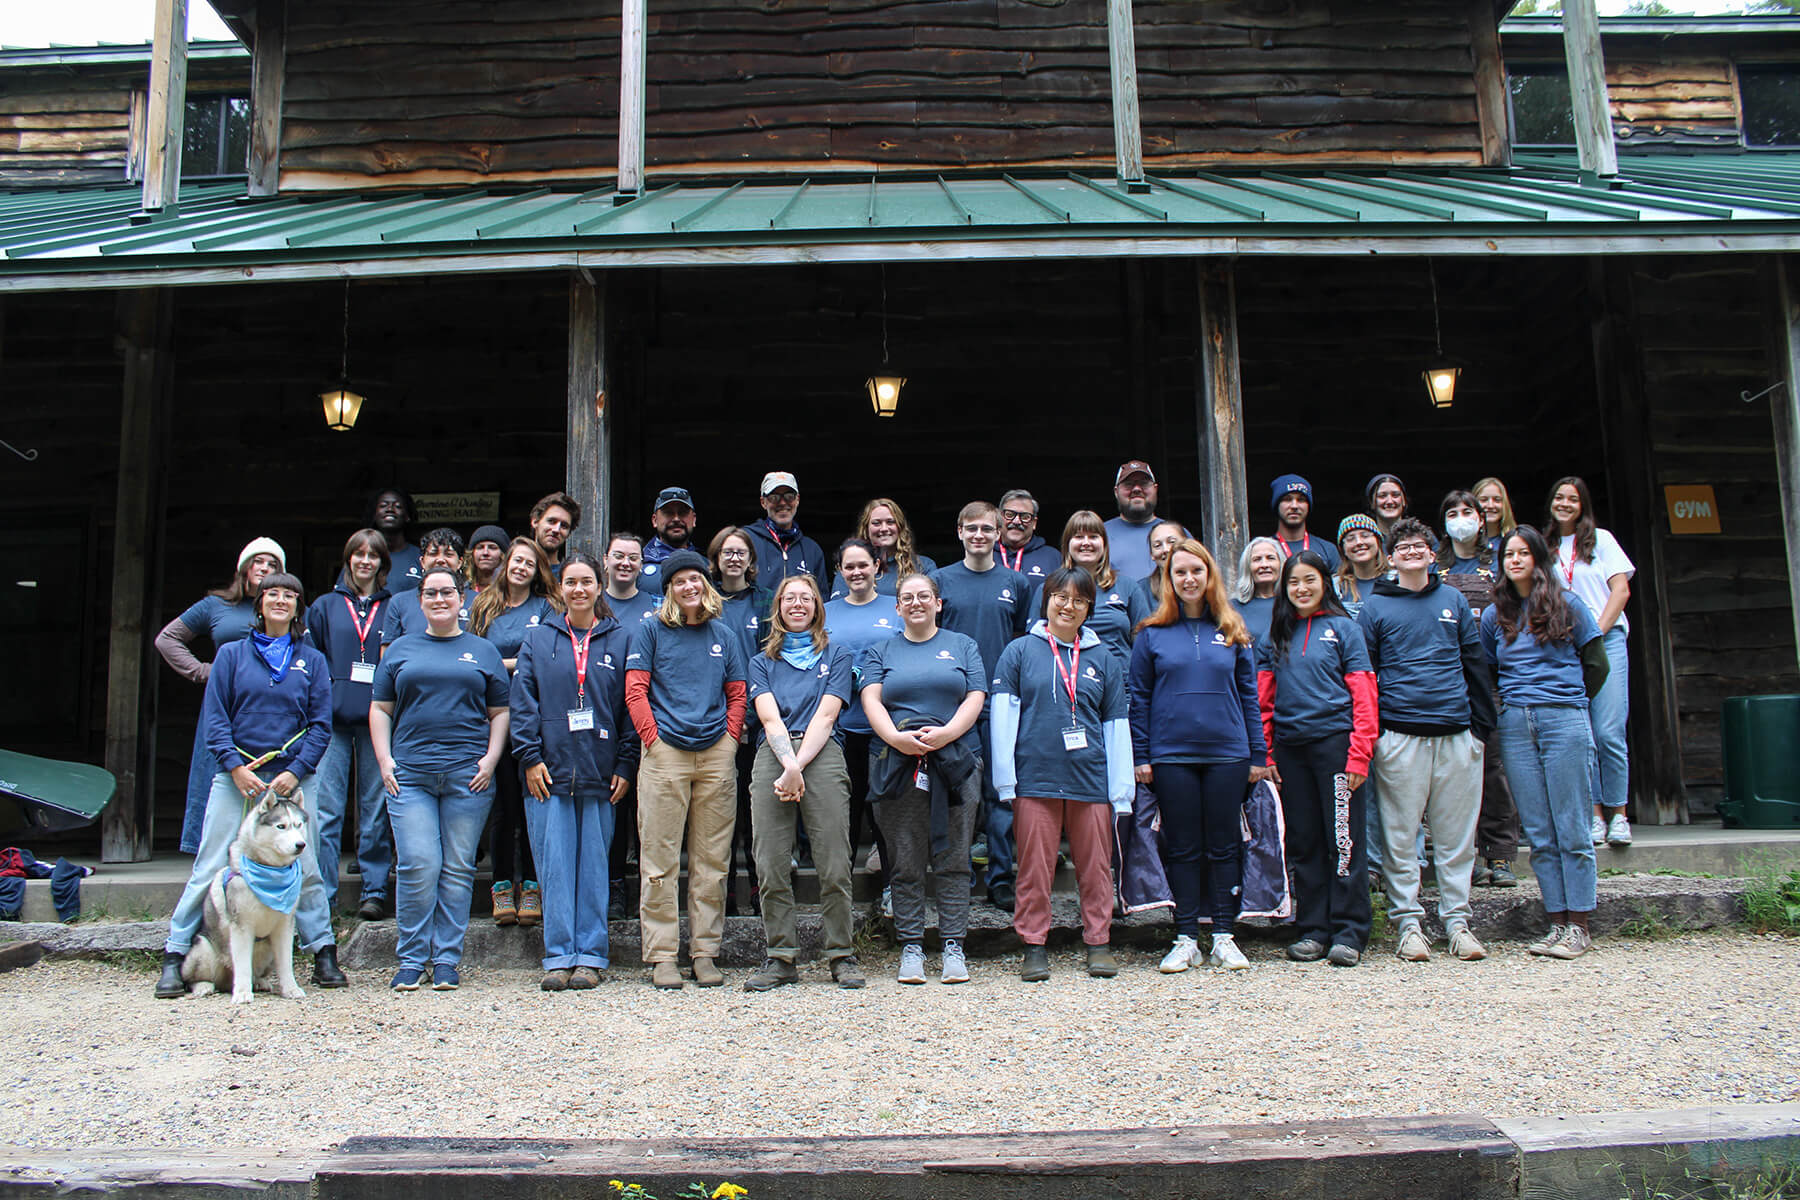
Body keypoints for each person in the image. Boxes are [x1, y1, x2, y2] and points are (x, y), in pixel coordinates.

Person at [155, 571, 343, 998]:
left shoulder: (311, 659)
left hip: (292, 777)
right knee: (210, 862)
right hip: (237, 776)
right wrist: (235, 767)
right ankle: (175, 952)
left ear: (299, 607)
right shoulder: (232, 655)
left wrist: (296, 770)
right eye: (272, 594)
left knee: (306, 863)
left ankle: (322, 951)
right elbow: (216, 718)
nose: (280, 600)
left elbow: (320, 724)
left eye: (289, 595)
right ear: (258, 605)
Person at [1356, 517, 1496, 964]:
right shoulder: (1376, 608)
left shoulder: (1452, 599)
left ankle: (1457, 922)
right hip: (1400, 735)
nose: (1412, 552)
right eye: (1404, 547)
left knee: (1457, 838)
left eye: (1420, 546)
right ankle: (1408, 924)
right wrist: (1375, 737)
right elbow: (1366, 677)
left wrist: (1480, 731)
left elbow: (1475, 666)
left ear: (1433, 555)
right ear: (1391, 558)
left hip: (1456, 734)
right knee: (1400, 837)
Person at [1130, 537, 1269, 974]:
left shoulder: (1233, 630)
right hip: (1172, 755)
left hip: (1228, 753)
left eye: (1197, 571)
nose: (1189, 579)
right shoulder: (1151, 634)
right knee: (1185, 847)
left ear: (1210, 576)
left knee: (1224, 845)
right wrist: (1142, 755)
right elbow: (1140, 698)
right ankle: (1186, 936)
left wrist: (1257, 753)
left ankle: (1225, 936)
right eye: (1180, 572)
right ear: (1168, 580)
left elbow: (1250, 695)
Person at [371, 566, 510, 992]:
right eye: (430, 593)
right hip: (409, 775)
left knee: (456, 868)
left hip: (467, 776)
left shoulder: (483, 651)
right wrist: (384, 760)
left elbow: (500, 712)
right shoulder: (400, 650)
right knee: (417, 865)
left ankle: (447, 958)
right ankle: (412, 958)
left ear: (461, 597)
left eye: (447, 592)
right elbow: (380, 708)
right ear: (420, 601)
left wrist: (490, 760)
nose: (439, 599)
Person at [992, 566, 1133, 981]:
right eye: (1061, 596)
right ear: (1047, 600)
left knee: (1095, 867)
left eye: (1078, 600)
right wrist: (1006, 779)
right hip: (1035, 776)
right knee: (1035, 867)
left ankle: (1099, 941)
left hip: (1090, 779)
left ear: (1089, 608)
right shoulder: (1019, 652)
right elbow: (1003, 718)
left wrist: (1119, 788)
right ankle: (1034, 943)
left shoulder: (1103, 659)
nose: (1068, 606)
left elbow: (1116, 725)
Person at [510, 552, 638, 990]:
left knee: (594, 867)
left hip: (602, 772)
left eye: (587, 582)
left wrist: (626, 762)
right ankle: (559, 955)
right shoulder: (537, 639)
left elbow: (628, 708)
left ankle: (591, 955)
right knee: (556, 867)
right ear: (560, 588)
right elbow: (522, 702)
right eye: (571, 582)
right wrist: (529, 758)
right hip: (549, 770)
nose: (579, 590)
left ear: (599, 587)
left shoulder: (620, 640)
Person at [1482, 525, 1611, 960]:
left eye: (1523, 553)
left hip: (1564, 718)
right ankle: (1555, 922)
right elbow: (1487, 670)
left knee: (1572, 825)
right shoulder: (1493, 615)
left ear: (1539, 558)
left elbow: (1596, 664)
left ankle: (1580, 924)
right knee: (1538, 829)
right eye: (1508, 555)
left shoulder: (1569, 605)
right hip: (1516, 723)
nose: (1514, 560)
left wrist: (1567, 701)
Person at [624, 549, 749, 990]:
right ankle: (661, 955)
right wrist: (653, 741)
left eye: (696, 579)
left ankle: (704, 952)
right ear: (670, 589)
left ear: (706, 583)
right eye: (680, 581)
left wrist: (731, 739)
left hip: (715, 750)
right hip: (665, 753)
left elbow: (738, 692)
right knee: (658, 857)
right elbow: (635, 691)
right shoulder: (650, 631)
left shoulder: (724, 633)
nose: (689, 587)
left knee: (712, 859)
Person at [861, 571, 987, 985]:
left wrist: (949, 732)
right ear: (896, 607)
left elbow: (975, 696)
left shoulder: (962, 646)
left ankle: (954, 944)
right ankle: (911, 944)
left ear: (938, 603)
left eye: (924, 596)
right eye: (907, 597)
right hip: (899, 763)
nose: (916, 603)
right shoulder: (881, 649)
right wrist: (896, 738)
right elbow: (871, 698)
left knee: (954, 856)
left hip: (955, 761)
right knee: (905, 856)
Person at [1256, 551, 1378, 967]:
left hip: (1337, 749)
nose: (1301, 589)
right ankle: (1313, 928)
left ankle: (1350, 930)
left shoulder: (1344, 629)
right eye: (1293, 582)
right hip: (1291, 751)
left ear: (1325, 582)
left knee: (1342, 841)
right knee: (1304, 841)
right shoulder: (1278, 633)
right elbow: (1264, 702)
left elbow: (1364, 694)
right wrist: (1268, 751)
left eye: (1309, 580)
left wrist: (1360, 755)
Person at [744, 574, 863, 991]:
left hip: (821, 752)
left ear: (817, 606)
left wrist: (797, 766)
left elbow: (827, 715)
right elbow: (768, 716)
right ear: (777, 607)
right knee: (771, 860)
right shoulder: (762, 661)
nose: (797, 604)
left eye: (805, 598)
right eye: (789, 598)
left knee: (833, 858)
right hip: (772, 755)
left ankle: (841, 953)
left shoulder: (838, 654)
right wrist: (787, 764)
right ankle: (780, 956)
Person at [157, 536, 287, 854]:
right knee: (216, 776)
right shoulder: (217, 606)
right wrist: (205, 671)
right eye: (258, 561)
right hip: (225, 706)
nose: (265, 568)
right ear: (244, 568)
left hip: (272, 708)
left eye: (273, 564)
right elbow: (167, 639)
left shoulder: (286, 606)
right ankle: (213, 859)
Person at [932, 501, 1030, 911]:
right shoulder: (940, 581)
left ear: (998, 533)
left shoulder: (1017, 583)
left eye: (987, 529)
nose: (978, 536)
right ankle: (952, 876)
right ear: (959, 532)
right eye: (971, 528)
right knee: (954, 792)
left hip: (1003, 701)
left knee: (1001, 791)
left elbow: (1023, 641)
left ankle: (1002, 877)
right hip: (952, 704)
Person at [468, 537, 562, 928]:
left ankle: (535, 886)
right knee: (503, 807)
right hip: (492, 714)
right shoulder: (484, 606)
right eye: (517, 560)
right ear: (506, 564)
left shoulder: (547, 607)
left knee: (534, 802)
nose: (521, 567)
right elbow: (472, 655)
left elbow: (548, 656)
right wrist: (516, 661)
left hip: (538, 715)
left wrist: (502, 662)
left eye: (530, 562)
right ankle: (503, 883)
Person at [305, 530, 394, 921]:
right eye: (358, 554)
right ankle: (323, 894)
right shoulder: (324, 605)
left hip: (378, 718)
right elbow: (311, 657)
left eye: (372, 555)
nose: (365, 561)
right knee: (326, 809)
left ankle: (374, 890)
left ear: (382, 563)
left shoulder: (394, 607)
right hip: (332, 721)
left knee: (375, 807)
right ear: (348, 559)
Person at [1544, 476, 1635, 848]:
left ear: (1583, 505)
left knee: (1608, 729)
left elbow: (1621, 589)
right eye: (1559, 497)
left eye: (1573, 499)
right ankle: (1595, 815)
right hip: (1564, 647)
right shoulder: (1544, 546)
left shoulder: (1602, 540)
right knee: (1581, 735)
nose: (1565, 503)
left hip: (1605, 639)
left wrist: (1594, 633)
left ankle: (1619, 815)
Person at [1438, 489, 1520, 889]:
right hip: (1448, 682)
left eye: (1466, 511)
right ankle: (1464, 857)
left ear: (1481, 518)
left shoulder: (1500, 565)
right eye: (1452, 512)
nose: (1460, 518)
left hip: (1491, 682)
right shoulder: (1435, 567)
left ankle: (1500, 855)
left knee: (1494, 770)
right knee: (1455, 775)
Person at [823, 538, 900, 909]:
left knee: (886, 811)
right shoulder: (826, 612)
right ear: (839, 572)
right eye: (848, 566)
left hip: (886, 726)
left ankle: (892, 889)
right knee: (844, 811)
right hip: (840, 727)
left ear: (877, 567)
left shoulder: (896, 608)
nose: (856, 572)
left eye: (863, 565)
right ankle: (841, 895)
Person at [708, 525, 775, 916]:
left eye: (741, 552)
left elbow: (770, 658)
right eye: (727, 552)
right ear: (715, 559)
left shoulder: (765, 601)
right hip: (713, 722)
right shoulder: (703, 600)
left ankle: (756, 889)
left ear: (751, 560)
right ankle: (725, 892)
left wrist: (751, 717)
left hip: (757, 720)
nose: (734, 558)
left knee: (756, 811)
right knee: (719, 811)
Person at [1031, 510, 1148, 669]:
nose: (1086, 542)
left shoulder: (1128, 587)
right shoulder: (1047, 589)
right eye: (1078, 537)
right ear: (1067, 544)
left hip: (1121, 684)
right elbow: (1034, 643)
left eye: (1093, 536)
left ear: (1104, 544)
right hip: (1063, 682)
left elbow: (1145, 643)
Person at [831, 498, 937, 598]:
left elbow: (931, 609)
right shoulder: (850, 569)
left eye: (890, 522)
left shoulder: (923, 566)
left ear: (900, 527)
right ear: (866, 529)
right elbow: (839, 612)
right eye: (876, 523)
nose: (884, 528)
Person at [381, 528, 468, 646]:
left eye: (448, 554)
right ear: (422, 561)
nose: (440, 560)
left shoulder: (478, 601)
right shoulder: (399, 602)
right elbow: (388, 655)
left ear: (460, 562)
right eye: (433, 553)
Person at [747, 471, 826, 584]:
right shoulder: (746, 541)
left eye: (789, 497)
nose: (783, 502)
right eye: (774, 497)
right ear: (763, 502)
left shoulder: (812, 550)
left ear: (797, 499)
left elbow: (821, 597)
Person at [1270, 474, 1341, 573]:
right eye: (1287, 499)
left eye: (1301, 500)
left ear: (1308, 506)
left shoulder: (1328, 549)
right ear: (1277, 505)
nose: (1294, 506)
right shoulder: (1264, 549)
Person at [1104, 461, 1160, 582]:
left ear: (1155, 489)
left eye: (1144, 484)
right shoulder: (1098, 535)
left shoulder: (1176, 534)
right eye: (1128, 484)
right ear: (1116, 492)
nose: (1136, 489)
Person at [995, 489, 1063, 584]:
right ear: (999, 518)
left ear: (1034, 523)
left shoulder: (1053, 557)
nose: (1017, 521)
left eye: (1025, 517)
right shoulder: (985, 553)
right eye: (1009, 515)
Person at [639, 486, 698, 594]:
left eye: (682, 513)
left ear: (693, 519)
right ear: (655, 520)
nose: (676, 519)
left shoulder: (708, 566)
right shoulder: (637, 565)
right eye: (668, 513)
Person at [1229, 536, 1283, 646]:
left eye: (1270, 558)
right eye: (1257, 559)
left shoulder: (1292, 605)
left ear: (1281, 563)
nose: (1264, 565)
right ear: (1247, 567)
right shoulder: (1232, 609)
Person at [1332, 514, 1387, 619]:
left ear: (1378, 542)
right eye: (1350, 538)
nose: (1359, 542)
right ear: (1343, 549)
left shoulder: (1396, 581)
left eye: (1365, 536)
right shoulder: (1335, 587)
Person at [602, 532, 660, 631]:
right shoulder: (592, 603)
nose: (626, 563)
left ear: (641, 564)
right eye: (619, 556)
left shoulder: (656, 605)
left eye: (633, 558)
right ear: (605, 560)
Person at [368, 488, 422, 588]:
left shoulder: (421, 558)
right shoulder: (362, 557)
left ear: (407, 516)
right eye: (383, 505)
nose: (390, 509)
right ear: (375, 515)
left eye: (398, 506)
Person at [1439, 490, 1499, 580]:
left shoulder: (1499, 562)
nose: (1460, 519)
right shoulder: (1432, 566)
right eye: (1452, 514)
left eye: (1467, 513)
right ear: (1444, 524)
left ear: (1481, 520)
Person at [1137, 519, 1190, 610]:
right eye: (1157, 545)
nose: (1166, 549)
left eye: (1172, 542)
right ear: (1152, 554)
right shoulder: (1141, 590)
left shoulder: (1201, 582)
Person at [529, 492, 580, 573]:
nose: (556, 530)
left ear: (569, 533)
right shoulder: (515, 570)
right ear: (535, 521)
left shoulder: (568, 577)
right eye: (551, 521)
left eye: (564, 526)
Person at [1473, 477, 1517, 560]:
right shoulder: (1463, 544)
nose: (1490, 505)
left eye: (1497, 500)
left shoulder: (1515, 540)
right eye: (1484, 500)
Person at [1365, 473, 1410, 543]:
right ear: (1372, 503)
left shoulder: (1421, 536)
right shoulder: (1365, 541)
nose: (1389, 501)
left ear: (1404, 500)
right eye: (1382, 496)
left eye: (1395, 495)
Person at [465, 525, 509, 594]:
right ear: (472, 554)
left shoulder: (512, 592)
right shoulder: (462, 592)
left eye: (492, 547)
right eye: (480, 547)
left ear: (503, 555)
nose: (485, 553)